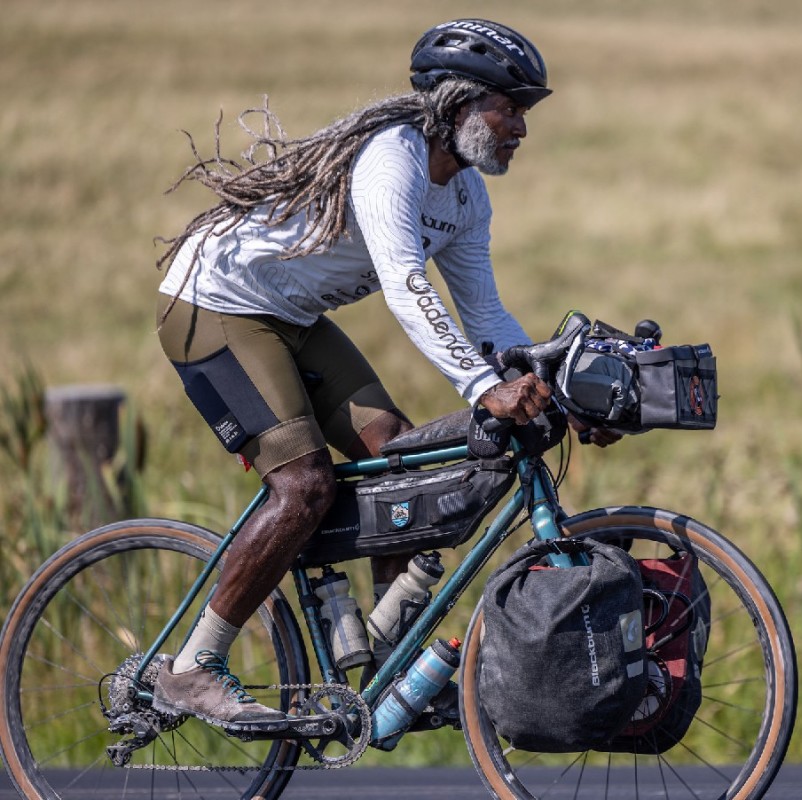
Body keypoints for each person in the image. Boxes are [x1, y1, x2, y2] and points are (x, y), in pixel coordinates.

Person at [150, 19, 576, 733]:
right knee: (305, 484)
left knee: (402, 467)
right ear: (461, 103)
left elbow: (487, 317)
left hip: (292, 315)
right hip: (213, 304)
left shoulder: (467, 197)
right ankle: (194, 666)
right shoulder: (393, 160)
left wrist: (543, 379)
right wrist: (482, 389)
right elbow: (408, 285)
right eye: (512, 109)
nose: (521, 130)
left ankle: (381, 668)